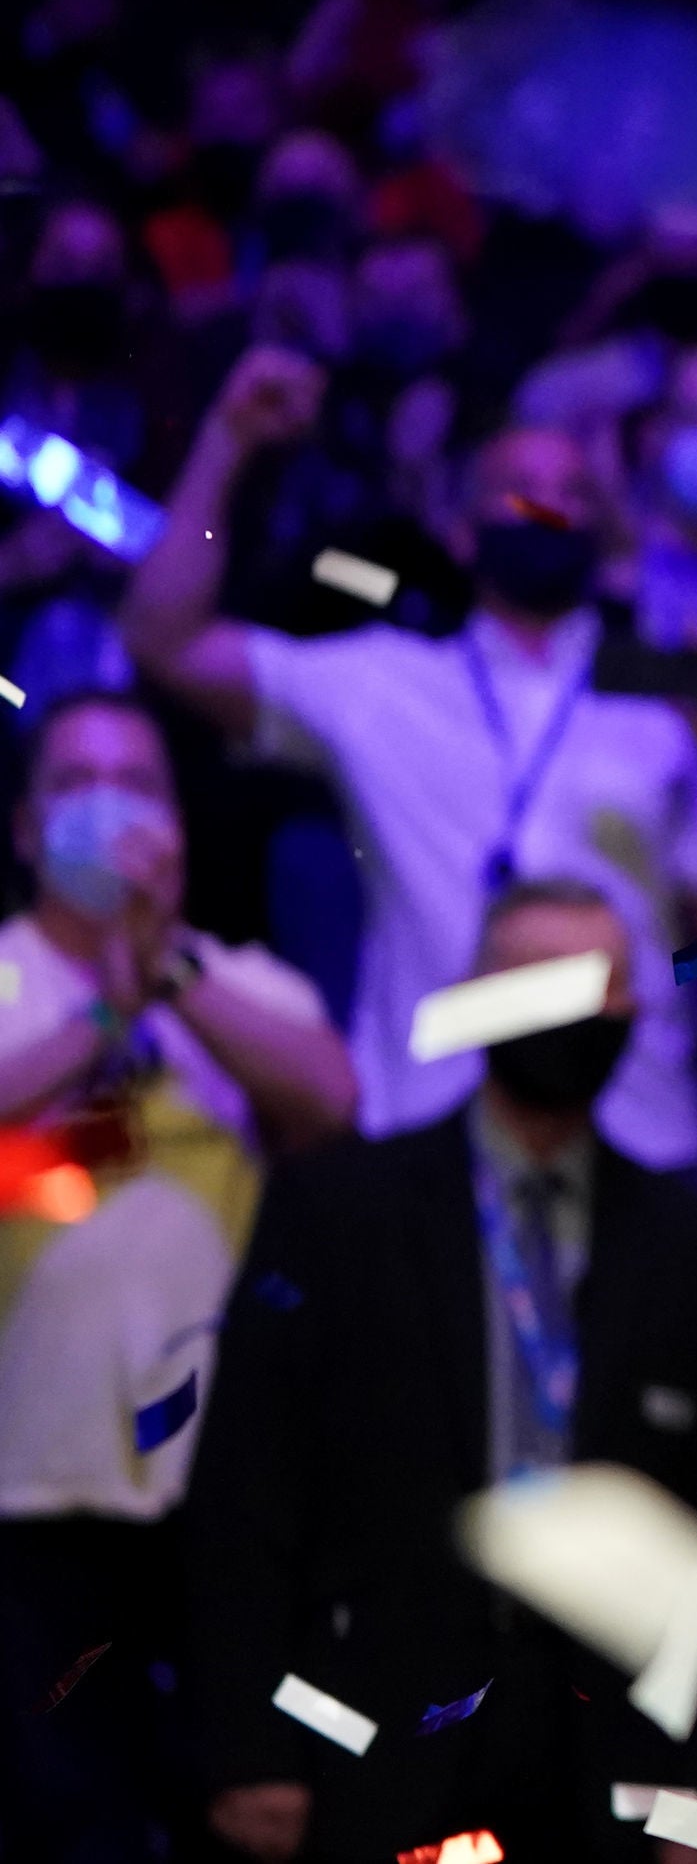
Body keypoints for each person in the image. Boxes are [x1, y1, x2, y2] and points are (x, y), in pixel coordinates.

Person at [184, 881, 697, 1864]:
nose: (575, 1015)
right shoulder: (338, 1214)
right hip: (377, 1737)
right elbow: (246, 1498)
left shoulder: (694, 1249)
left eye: (604, 990)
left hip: (613, 1756)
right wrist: (250, 1749)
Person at [120, 348, 697, 1166]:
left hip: (634, 1131)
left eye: (573, 494)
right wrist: (227, 439)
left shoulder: (663, 700)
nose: (548, 509)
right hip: (425, 1126)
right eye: (522, 491)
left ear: (601, 528)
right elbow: (166, 637)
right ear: (463, 531)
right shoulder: (380, 683)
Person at [0, 692, 355, 1864]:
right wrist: (112, 1002)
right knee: (62, 1826)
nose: (111, 809)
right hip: (31, 1498)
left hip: (223, 1499)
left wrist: (171, 971)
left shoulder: (248, 987)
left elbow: (328, 1100)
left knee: (231, 1821)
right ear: (24, 827)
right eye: (76, 783)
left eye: (139, 784)